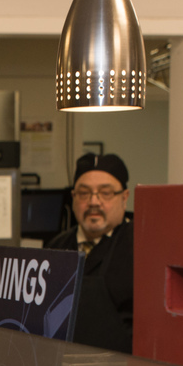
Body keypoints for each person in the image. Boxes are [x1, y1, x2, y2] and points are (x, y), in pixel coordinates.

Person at [49, 151, 135, 354]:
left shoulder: (140, 247)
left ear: (124, 197)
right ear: (73, 197)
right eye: (84, 193)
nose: (94, 202)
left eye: (105, 193)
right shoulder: (56, 246)